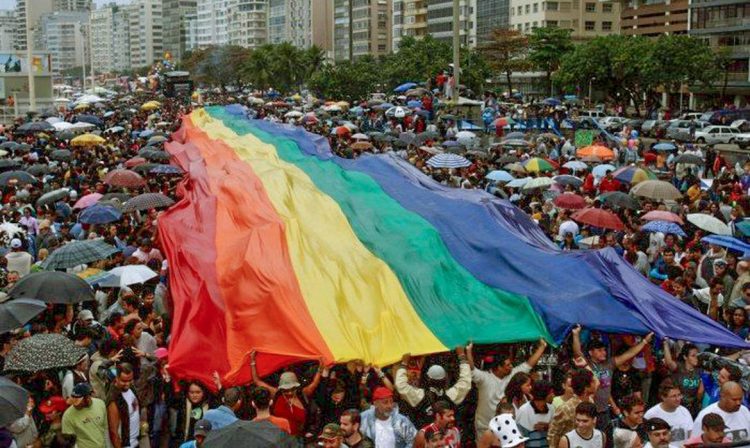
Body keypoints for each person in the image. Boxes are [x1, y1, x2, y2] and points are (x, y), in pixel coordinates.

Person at [572, 327, 653, 428]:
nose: (604, 352)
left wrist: (644, 341)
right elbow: (577, 353)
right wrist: (575, 334)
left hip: (605, 410)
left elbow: (629, 354)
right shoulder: (586, 364)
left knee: (605, 438)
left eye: (604, 350)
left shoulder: (609, 363)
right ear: (590, 352)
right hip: (589, 411)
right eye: (599, 350)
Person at [468, 339, 549, 436]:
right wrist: (468, 351)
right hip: (485, 427)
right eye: (508, 365)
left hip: (506, 428)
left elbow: (529, 364)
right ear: (499, 367)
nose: (511, 366)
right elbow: (471, 368)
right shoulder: (484, 378)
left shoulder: (512, 375)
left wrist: (542, 347)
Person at [394, 347, 471, 428]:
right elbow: (466, 381)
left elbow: (400, 385)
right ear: (445, 379)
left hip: (426, 437)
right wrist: (462, 356)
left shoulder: (419, 396)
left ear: (428, 378)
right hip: (447, 437)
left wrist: (404, 363)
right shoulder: (451, 395)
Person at [548, 369, 598, 448]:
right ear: (586, 387)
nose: (596, 383)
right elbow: (553, 434)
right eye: (593, 381)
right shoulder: (565, 408)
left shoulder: (591, 401)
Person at [106, 363, 143, 448]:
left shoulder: (131, 388)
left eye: (130, 380)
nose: (127, 384)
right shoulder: (113, 399)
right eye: (124, 381)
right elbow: (114, 432)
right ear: (117, 378)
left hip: (136, 442)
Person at [662, 342, 703, 417]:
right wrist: (665, 344)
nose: (696, 358)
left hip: (693, 409)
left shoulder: (700, 370)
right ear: (685, 357)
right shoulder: (679, 367)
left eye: (697, 355)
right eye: (693, 356)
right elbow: (669, 362)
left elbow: (700, 394)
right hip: (676, 406)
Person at [61, 383, 108, 448]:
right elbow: (68, 443)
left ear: (87, 398)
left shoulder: (101, 404)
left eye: (78, 401)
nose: (75, 405)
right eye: (73, 401)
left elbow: (105, 429)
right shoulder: (67, 416)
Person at [516, 380, 555, 448]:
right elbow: (520, 438)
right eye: (551, 393)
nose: (553, 395)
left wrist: (548, 427)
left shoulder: (551, 408)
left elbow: (553, 432)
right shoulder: (524, 410)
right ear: (543, 394)